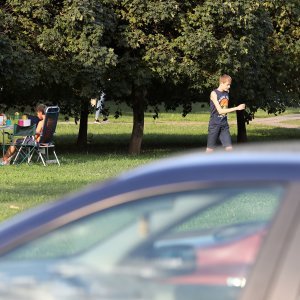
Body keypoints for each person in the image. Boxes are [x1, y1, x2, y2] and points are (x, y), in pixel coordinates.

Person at [206, 74, 245, 152]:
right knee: (210, 150)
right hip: (214, 125)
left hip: (224, 125)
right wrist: (237, 108)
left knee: (229, 149)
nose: (229, 87)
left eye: (229, 85)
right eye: (227, 85)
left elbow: (225, 107)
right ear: (221, 83)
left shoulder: (226, 92)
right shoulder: (214, 94)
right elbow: (220, 111)